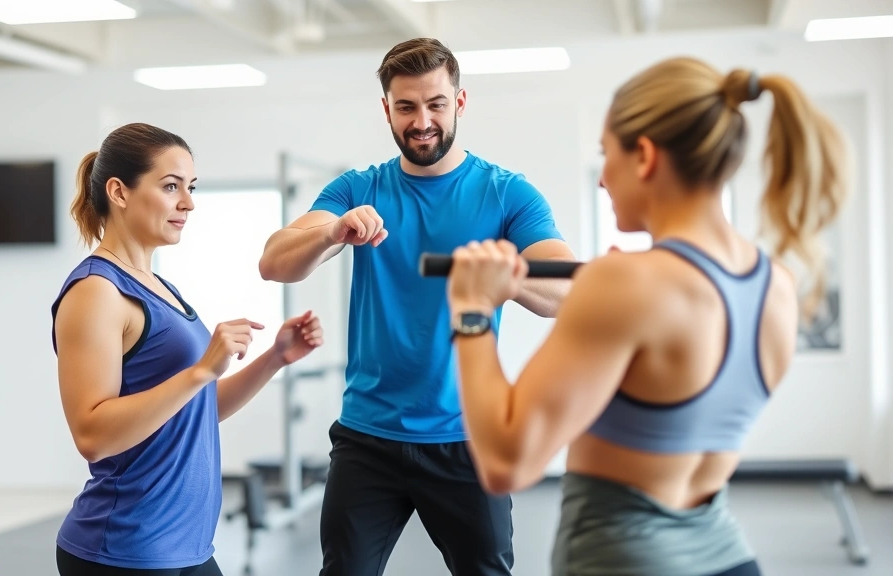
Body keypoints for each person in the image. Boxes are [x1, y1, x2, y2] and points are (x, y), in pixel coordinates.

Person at [444, 56, 849, 576]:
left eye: (605, 155)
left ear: (646, 157)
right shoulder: (777, 288)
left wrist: (472, 309)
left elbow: (506, 463)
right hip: (730, 560)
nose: (602, 182)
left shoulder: (627, 285)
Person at [259, 38, 576, 576]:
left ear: (461, 101)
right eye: (406, 107)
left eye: (436, 104)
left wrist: (506, 280)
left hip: (467, 439)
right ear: (386, 108)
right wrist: (332, 231)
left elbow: (564, 291)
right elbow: (274, 263)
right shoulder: (359, 189)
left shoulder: (507, 195)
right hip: (368, 438)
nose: (422, 120)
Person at [51, 122, 325, 576]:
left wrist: (275, 356)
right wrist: (201, 370)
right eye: (171, 186)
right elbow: (93, 436)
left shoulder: (161, 287)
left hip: (188, 546)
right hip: (124, 550)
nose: (188, 203)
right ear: (119, 192)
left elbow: (196, 407)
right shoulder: (96, 291)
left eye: (191, 187)